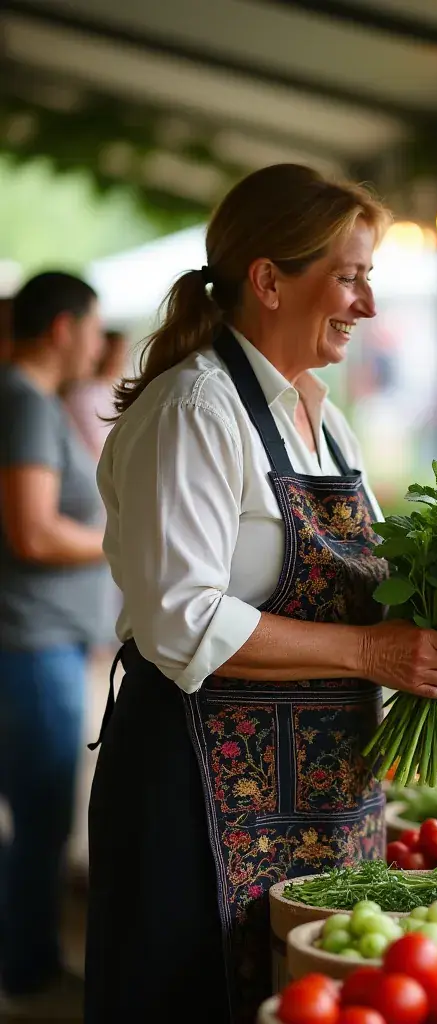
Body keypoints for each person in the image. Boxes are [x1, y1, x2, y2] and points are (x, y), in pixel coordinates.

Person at [85, 164, 437, 1024]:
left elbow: (362, 583)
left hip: (325, 794)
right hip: (195, 787)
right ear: (269, 279)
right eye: (350, 276)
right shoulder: (194, 409)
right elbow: (180, 619)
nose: (367, 305)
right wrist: (375, 654)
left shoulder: (322, 415)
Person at [0, 272, 107, 1014]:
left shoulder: (26, 403)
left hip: (39, 642)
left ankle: (25, 957)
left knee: (37, 817)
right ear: (63, 328)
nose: (100, 347)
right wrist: (119, 540)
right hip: (32, 643)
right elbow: (33, 530)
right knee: (41, 816)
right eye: (96, 330)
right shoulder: (25, 403)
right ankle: (28, 974)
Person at [64, 328, 127, 459]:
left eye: (123, 353)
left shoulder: (117, 390)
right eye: (115, 353)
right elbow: (97, 448)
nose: (120, 358)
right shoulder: (83, 394)